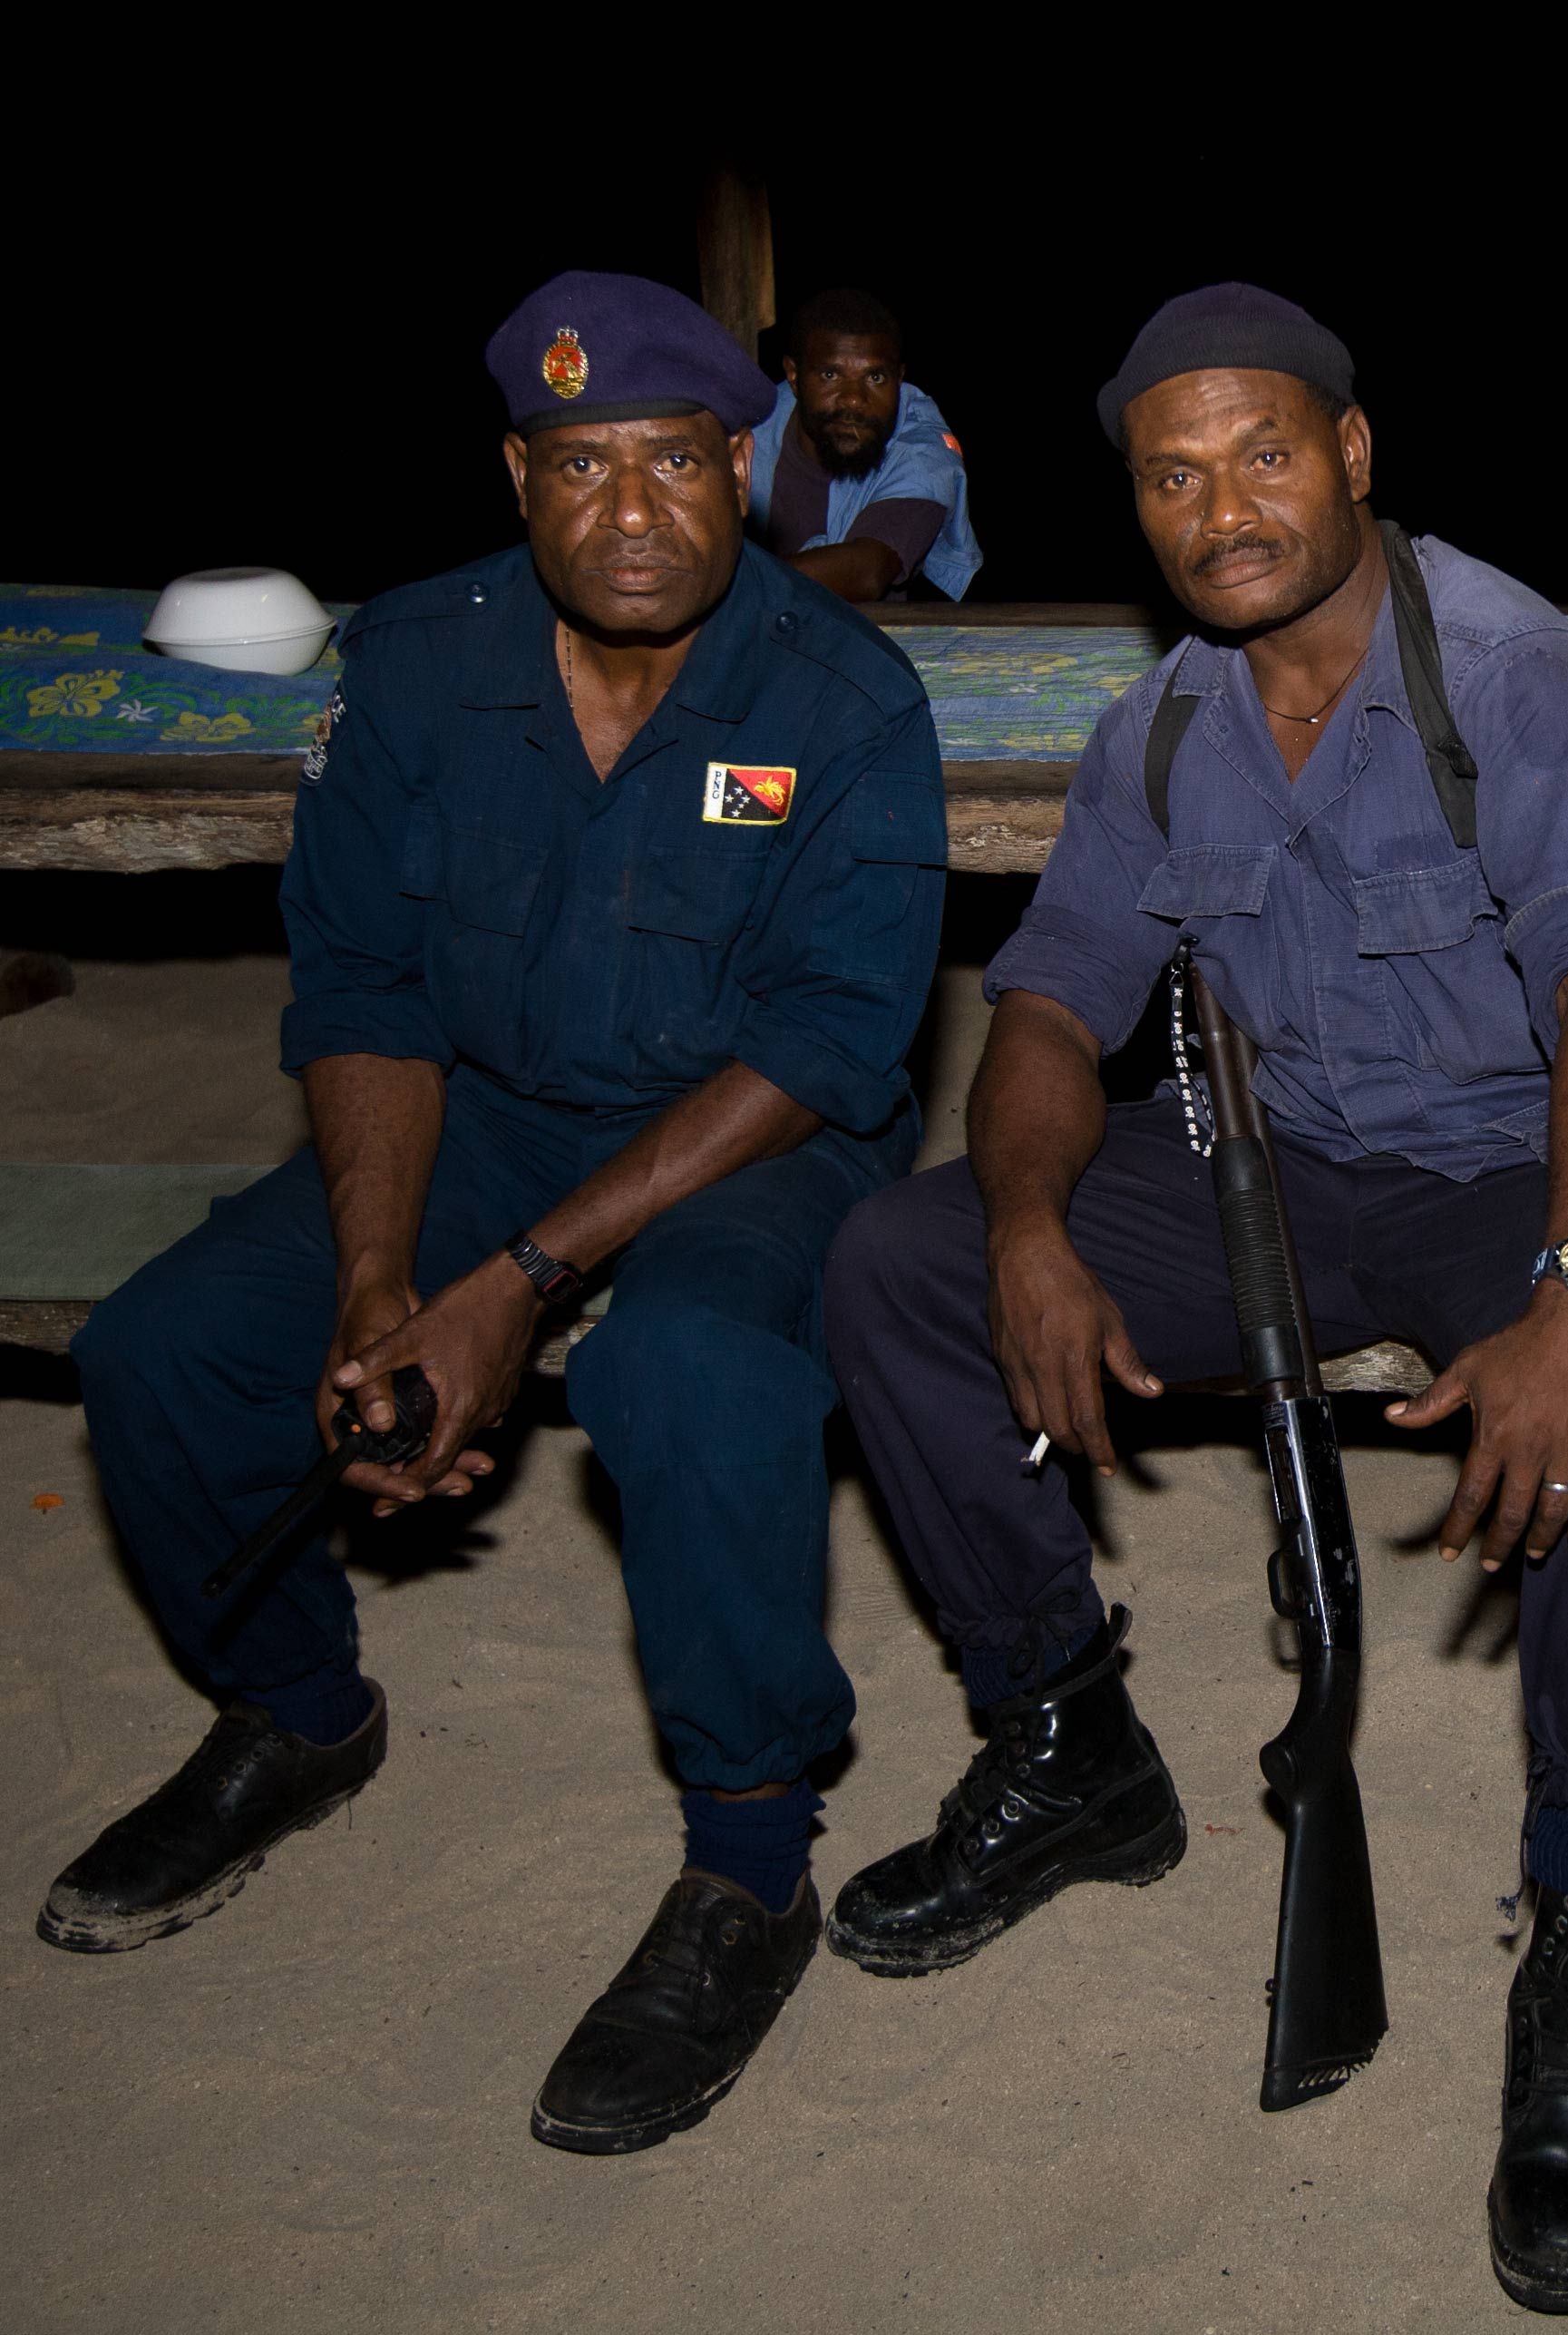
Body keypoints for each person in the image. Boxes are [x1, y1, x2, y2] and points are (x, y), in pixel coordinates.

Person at [821, 283, 1568, 2314]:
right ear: (1137, 508)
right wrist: (1027, 1224)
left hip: (1531, 1157)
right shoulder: (1163, 722)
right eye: (1173, 474)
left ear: (1350, 453)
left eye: (1262, 453)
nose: (1221, 505)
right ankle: (1065, 1736)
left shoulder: (1511, 675)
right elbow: (1055, 998)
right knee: (896, 1262)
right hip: (1279, 1163)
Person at [41, 271, 949, 2158]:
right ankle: (294, 1714)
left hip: (754, 1137)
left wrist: (519, 1289)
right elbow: (364, 984)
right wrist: (387, 1277)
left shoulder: (840, 691)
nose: (635, 514)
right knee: (171, 1350)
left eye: (678, 463)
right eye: (581, 466)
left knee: (692, 1377)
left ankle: (747, 1865)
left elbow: (829, 1043)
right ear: (518, 478)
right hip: (486, 1110)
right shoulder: (418, 660)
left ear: (740, 467)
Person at [748, 287, 980, 602]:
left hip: (863, 641)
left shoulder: (922, 453)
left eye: (876, 378)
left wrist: (719, 588)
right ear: (794, 375)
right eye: (831, 374)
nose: (855, 399)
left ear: (899, 379)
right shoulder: (745, 428)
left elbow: (867, 573)